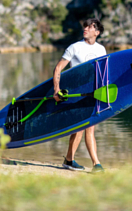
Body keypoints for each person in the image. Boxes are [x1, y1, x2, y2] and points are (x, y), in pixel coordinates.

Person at [53, 18, 106, 173]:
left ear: (97, 32)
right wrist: (57, 90)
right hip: (76, 92)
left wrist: (103, 92)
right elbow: (58, 69)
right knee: (81, 128)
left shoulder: (101, 49)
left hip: (92, 92)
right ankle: (95, 164)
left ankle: (70, 160)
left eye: (90, 27)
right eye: (85, 26)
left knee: (88, 128)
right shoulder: (75, 47)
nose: (86, 29)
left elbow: (102, 73)